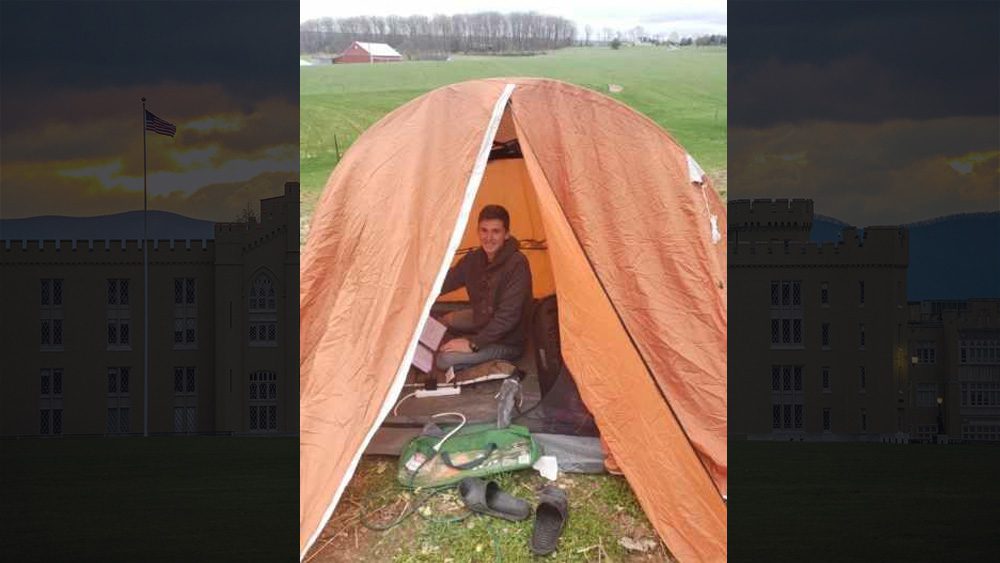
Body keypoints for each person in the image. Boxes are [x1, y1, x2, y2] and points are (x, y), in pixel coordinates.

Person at [435, 204, 533, 372]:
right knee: (443, 321)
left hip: (506, 338)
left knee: (444, 359)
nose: (489, 238)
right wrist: (417, 292)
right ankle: (468, 344)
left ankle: (488, 358)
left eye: (496, 231)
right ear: (478, 232)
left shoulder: (517, 264)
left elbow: (507, 318)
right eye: (484, 230)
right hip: (483, 317)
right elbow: (444, 283)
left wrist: (473, 344)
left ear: (506, 234)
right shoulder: (473, 259)